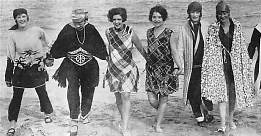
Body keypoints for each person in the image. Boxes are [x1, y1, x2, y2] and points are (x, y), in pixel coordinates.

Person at [50, 9, 108, 136]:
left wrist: (107, 56)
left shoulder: (91, 29)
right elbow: (57, 48)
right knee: (72, 91)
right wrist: (50, 54)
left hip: (89, 66)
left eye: (80, 22)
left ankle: (85, 114)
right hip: (71, 66)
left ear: (86, 20)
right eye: (75, 22)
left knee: (89, 90)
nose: (77, 25)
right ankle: (73, 118)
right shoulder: (67, 29)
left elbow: (101, 49)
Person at [200, 1, 255, 133]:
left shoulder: (237, 26)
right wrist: (209, 67)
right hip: (219, 65)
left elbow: (241, 47)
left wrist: (245, 64)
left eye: (224, 13)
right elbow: (209, 49)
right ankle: (223, 124)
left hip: (234, 65)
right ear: (217, 14)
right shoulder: (213, 28)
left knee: (232, 94)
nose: (222, 16)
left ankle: (230, 119)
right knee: (221, 95)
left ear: (229, 13)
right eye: (219, 13)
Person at [5, 8, 54, 136]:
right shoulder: (12, 35)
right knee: (16, 97)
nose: (21, 19)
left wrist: (48, 58)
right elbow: (10, 56)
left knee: (42, 92)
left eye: (23, 16)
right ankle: (12, 124)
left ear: (27, 17)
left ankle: (47, 114)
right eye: (18, 17)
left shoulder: (37, 30)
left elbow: (50, 44)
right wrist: (8, 76)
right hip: (21, 70)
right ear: (15, 19)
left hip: (37, 68)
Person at [105, 7, 146, 136]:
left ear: (123, 19)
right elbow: (109, 50)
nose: (116, 22)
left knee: (126, 96)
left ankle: (124, 128)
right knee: (118, 97)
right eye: (114, 19)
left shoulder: (131, 32)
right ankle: (124, 122)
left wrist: (149, 62)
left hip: (128, 68)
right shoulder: (108, 32)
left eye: (119, 19)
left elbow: (140, 48)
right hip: (114, 69)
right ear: (111, 20)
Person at [145, 5, 183, 132]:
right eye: (154, 17)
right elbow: (149, 50)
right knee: (151, 99)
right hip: (151, 70)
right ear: (151, 18)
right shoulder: (149, 32)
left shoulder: (169, 33)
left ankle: (158, 124)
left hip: (166, 69)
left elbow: (174, 51)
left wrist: (179, 66)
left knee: (163, 97)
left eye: (159, 17)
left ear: (164, 18)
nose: (156, 19)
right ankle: (161, 111)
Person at [178, 1, 214, 126]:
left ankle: (206, 112)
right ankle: (199, 118)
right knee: (192, 93)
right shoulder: (184, 28)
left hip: (204, 66)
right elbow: (180, 48)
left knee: (203, 92)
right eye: (192, 12)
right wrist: (180, 65)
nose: (194, 15)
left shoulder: (206, 26)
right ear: (189, 13)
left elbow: (212, 45)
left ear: (200, 13)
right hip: (190, 66)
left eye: (197, 12)